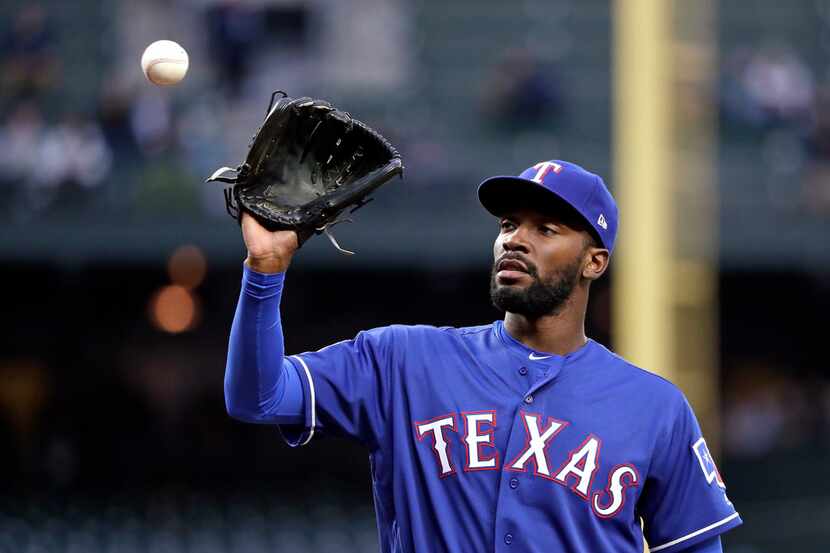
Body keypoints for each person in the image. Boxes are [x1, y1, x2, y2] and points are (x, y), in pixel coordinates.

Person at [225, 160, 742, 553]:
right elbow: (257, 397)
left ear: (594, 261)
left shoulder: (655, 407)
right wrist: (265, 271)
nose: (516, 239)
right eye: (508, 224)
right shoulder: (403, 360)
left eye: (546, 229)